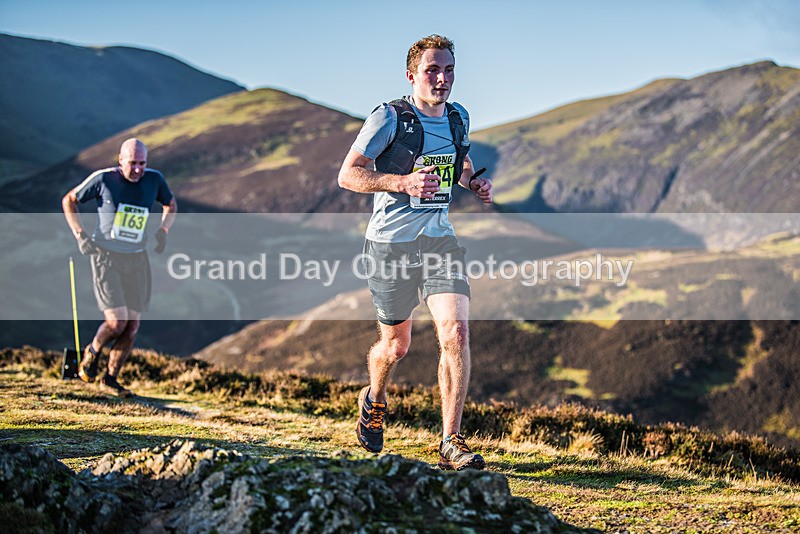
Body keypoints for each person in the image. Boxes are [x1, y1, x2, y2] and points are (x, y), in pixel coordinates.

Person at [338, 35, 492, 470]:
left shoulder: (459, 117)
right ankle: (375, 398)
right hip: (390, 244)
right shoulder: (389, 118)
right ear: (411, 76)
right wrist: (400, 182)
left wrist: (472, 182)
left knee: (456, 334)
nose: (441, 79)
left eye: (448, 70)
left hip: (439, 239)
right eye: (431, 70)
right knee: (396, 346)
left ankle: (451, 442)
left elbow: (459, 163)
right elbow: (348, 175)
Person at [62, 138, 177, 397]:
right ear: (120, 160)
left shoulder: (154, 179)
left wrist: (163, 231)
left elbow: (171, 204)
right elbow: (69, 200)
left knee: (132, 326)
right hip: (106, 257)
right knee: (117, 322)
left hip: (137, 259)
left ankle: (110, 379)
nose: (137, 169)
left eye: (142, 163)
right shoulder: (103, 179)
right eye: (132, 163)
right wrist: (80, 235)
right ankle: (92, 353)